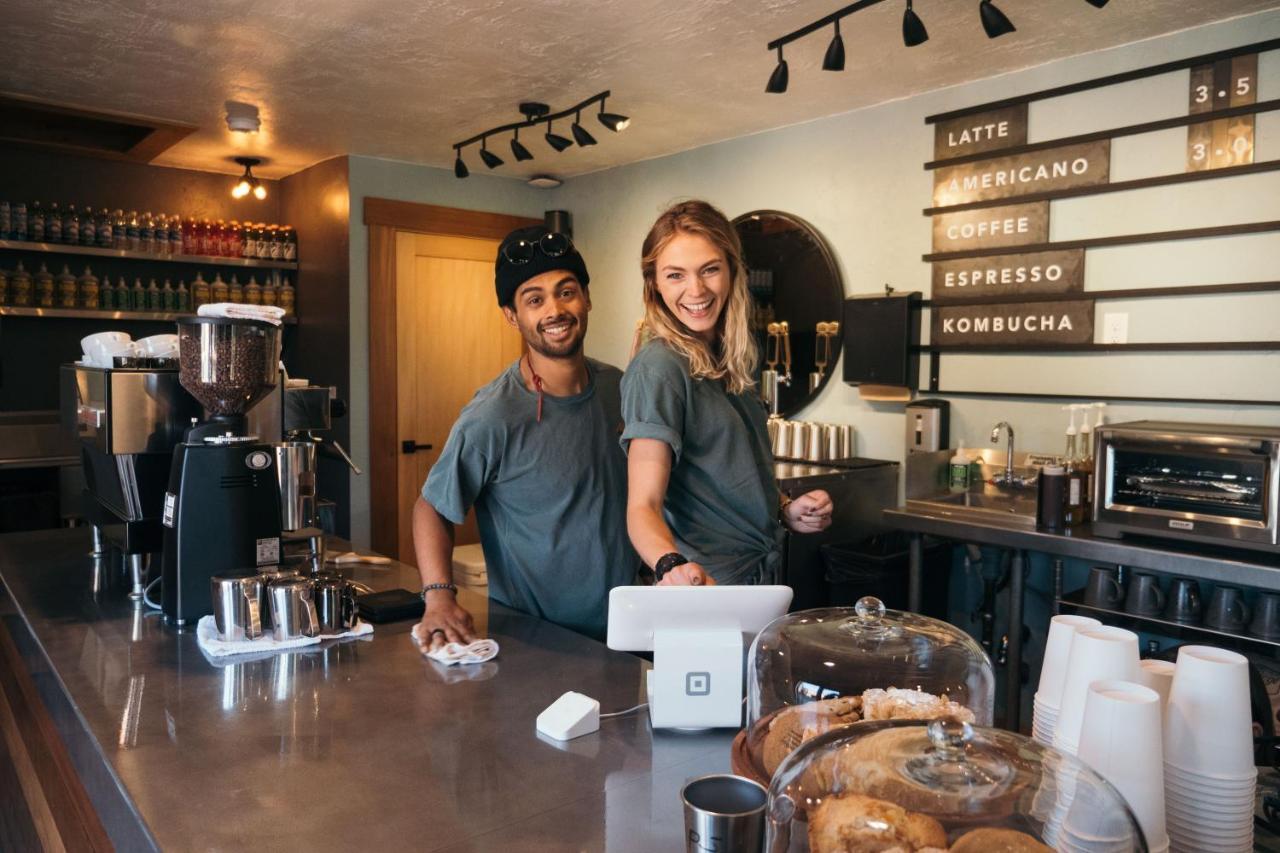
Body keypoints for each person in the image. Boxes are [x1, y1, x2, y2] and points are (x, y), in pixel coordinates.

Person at [412, 225, 640, 646]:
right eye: (534, 299)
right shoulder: (494, 414)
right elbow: (432, 508)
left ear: (587, 297)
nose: (555, 310)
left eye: (566, 291)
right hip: (536, 640)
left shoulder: (621, 389)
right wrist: (438, 598)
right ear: (512, 316)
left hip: (627, 631)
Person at [622, 200, 833, 586]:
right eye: (675, 275)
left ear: (732, 271)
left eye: (709, 270)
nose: (696, 290)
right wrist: (669, 565)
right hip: (705, 584)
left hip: (759, 575)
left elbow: (730, 475)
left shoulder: (735, 355)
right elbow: (642, 506)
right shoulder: (660, 368)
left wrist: (786, 508)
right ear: (654, 283)